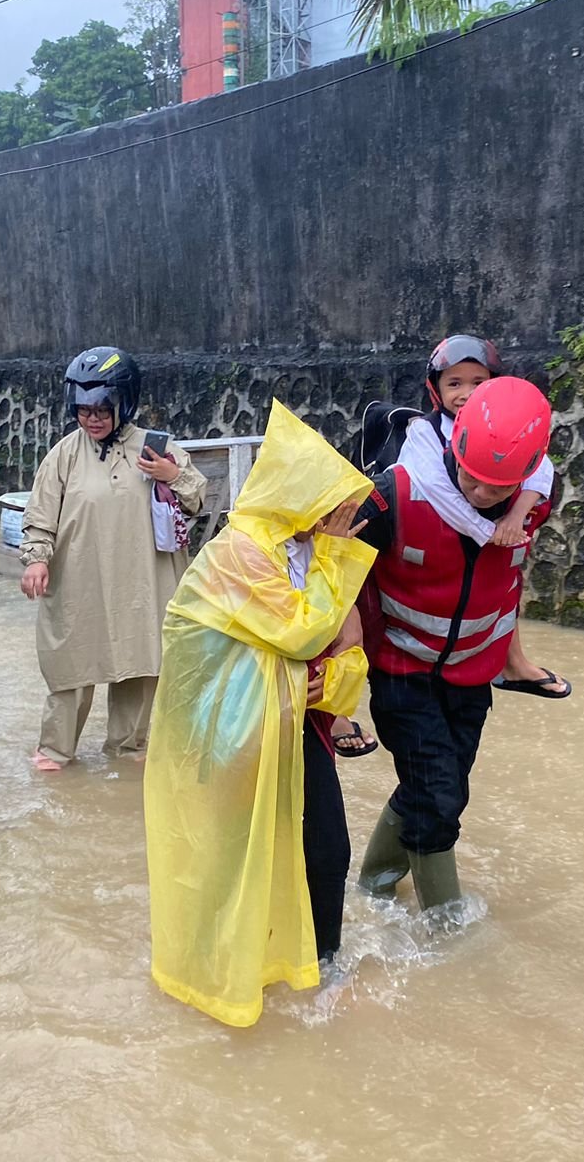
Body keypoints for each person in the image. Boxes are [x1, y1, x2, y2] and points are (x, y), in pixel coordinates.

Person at [144, 401, 375, 1028]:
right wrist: (335, 561)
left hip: (292, 724)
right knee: (224, 858)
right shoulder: (241, 551)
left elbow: (344, 650)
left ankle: (317, 968)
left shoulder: (306, 551)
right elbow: (307, 634)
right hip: (225, 734)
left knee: (325, 850)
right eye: (334, 505)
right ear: (300, 497)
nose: (344, 520)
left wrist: (331, 661)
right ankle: (211, 974)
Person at [353, 376, 554, 912]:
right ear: (454, 444)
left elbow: (538, 493)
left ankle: (373, 883)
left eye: (499, 487)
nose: (481, 494)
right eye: (473, 478)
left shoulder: (528, 504)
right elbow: (330, 565)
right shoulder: (397, 493)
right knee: (439, 795)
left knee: (440, 789)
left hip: (469, 676)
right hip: (401, 672)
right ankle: (444, 920)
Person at [18, 346, 207, 771]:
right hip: (79, 581)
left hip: (144, 581)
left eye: (103, 408)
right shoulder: (64, 454)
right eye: (84, 410)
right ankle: (55, 749)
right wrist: (36, 559)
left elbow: (197, 498)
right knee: (72, 663)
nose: (93, 418)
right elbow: (40, 515)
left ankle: (127, 748)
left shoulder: (157, 449)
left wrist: (172, 476)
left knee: (141, 664)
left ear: (126, 402)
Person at [359, 333, 571, 700]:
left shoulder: (504, 430)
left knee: (504, 576)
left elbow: (539, 464)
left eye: (478, 382)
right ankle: (339, 711)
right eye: (454, 383)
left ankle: (512, 661)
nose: (467, 393)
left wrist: (515, 516)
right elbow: (436, 491)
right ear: (435, 390)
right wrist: (486, 530)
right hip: (428, 536)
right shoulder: (424, 436)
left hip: (489, 546)